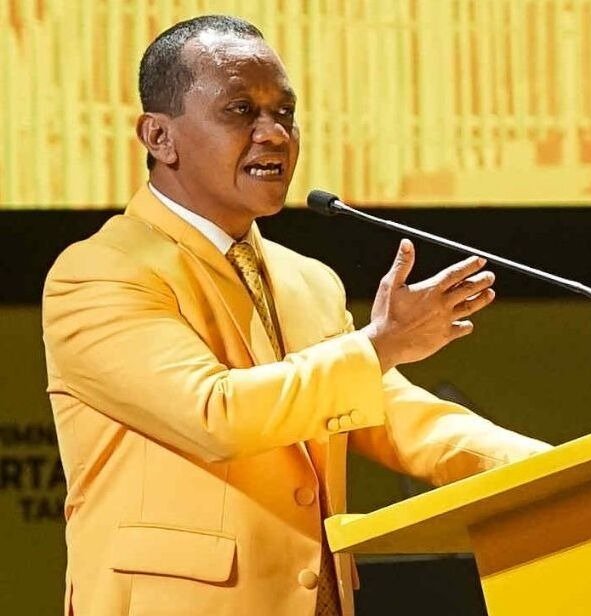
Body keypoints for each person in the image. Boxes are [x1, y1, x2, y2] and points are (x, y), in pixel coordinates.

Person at [41, 15, 549, 616]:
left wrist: (563, 470)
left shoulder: (307, 279)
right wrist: (380, 346)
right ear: (159, 137)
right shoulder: (100, 271)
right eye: (240, 111)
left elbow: (396, 417)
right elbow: (214, 415)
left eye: (284, 112)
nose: (275, 134)